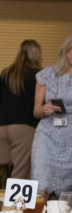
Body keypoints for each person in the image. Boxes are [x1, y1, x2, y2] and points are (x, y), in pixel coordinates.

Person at [0, 39, 42, 179]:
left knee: (4, 172)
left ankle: (0, 199)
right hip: (23, 126)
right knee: (21, 172)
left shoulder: (6, 73)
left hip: (1, 127)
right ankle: (15, 202)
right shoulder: (39, 76)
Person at [32, 34, 72, 196]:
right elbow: (35, 111)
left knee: (66, 194)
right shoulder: (47, 74)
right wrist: (44, 109)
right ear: (66, 51)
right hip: (47, 135)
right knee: (42, 181)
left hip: (70, 138)